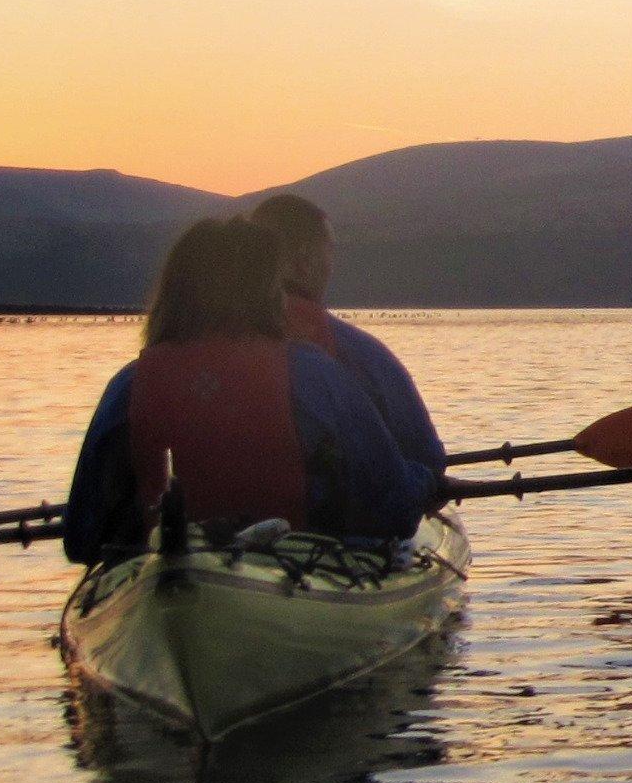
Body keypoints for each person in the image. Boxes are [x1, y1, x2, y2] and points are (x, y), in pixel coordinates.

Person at [61, 216, 443, 563]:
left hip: (161, 567)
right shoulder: (314, 376)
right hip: (297, 571)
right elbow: (394, 510)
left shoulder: (128, 385)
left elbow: (82, 539)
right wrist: (424, 481)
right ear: (266, 290)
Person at [248, 191, 445, 467]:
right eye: (330, 251)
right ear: (305, 262)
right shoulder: (357, 354)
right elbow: (426, 456)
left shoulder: (196, 348)